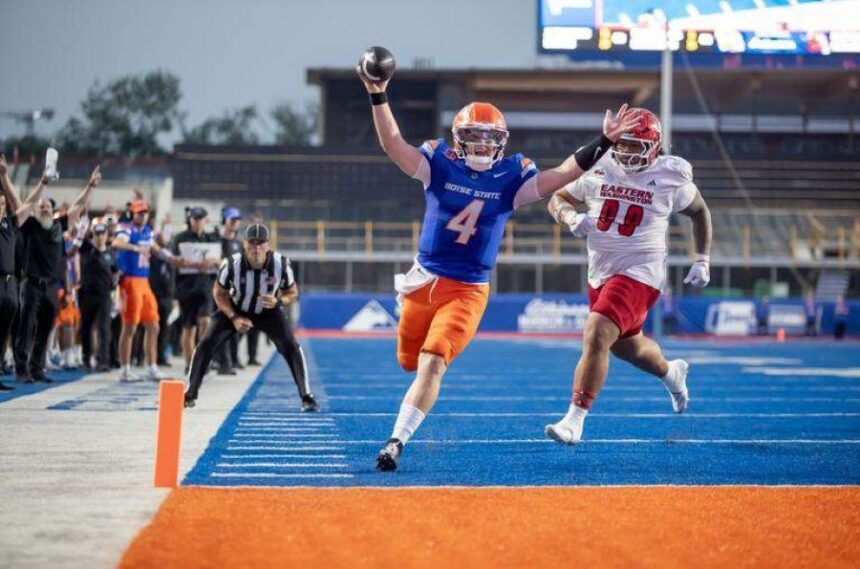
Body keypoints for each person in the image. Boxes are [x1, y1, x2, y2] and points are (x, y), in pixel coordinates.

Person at [357, 64, 641, 470]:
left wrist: (604, 141)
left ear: (502, 142)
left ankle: (395, 442)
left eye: (491, 137)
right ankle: (405, 411)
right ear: (459, 139)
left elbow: (561, 175)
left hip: (468, 289)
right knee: (409, 360)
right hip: (422, 281)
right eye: (474, 135)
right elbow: (393, 144)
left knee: (433, 360)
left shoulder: (512, 177)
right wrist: (378, 93)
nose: (482, 144)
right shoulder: (438, 163)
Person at [544, 108, 713, 445]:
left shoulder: (670, 175)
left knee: (596, 333)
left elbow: (699, 212)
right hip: (602, 270)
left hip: (641, 272)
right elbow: (557, 197)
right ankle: (671, 372)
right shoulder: (598, 164)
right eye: (622, 144)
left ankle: (574, 419)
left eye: (635, 146)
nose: (626, 152)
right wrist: (570, 218)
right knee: (626, 347)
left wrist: (702, 259)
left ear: (654, 146)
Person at [184, 224, 318, 411]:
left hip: (269, 311)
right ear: (244, 244)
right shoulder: (231, 264)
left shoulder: (281, 264)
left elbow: (293, 292)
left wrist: (278, 300)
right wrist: (233, 317)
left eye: (260, 243)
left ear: (268, 245)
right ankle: (190, 393)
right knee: (205, 344)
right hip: (237, 307)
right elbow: (219, 293)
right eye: (252, 243)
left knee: (292, 347)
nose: (256, 248)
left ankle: (306, 396)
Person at [14, 165, 100, 383]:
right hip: (32, 283)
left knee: (45, 328)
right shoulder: (30, 225)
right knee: (27, 326)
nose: (43, 207)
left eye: (46, 206)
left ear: (53, 211)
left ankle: (37, 367)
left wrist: (90, 186)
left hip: (52, 286)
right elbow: (24, 204)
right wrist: (43, 183)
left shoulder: (59, 226)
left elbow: (78, 206)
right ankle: (22, 368)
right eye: (40, 206)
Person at [112, 199, 181, 382]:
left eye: (145, 212)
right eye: (139, 212)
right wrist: (136, 247)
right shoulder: (126, 229)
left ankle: (152, 367)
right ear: (132, 214)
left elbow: (156, 249)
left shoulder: (146, 231)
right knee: (129, 327)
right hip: (130, 281)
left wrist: (172, 258)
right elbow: (116, 243)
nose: (143, 216)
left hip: (144, 281)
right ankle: (125, 369)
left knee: (154, 325)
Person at [171, 207, 221, 372]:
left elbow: (221, 262)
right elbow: (173, 260)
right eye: (195, 219)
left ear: (205, 220)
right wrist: (190, 263)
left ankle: (203, 360)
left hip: (205, 286)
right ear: (190, 220)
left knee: (205, 322)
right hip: (186, 287)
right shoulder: (180, 238)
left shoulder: (211, 239)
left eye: (201, 219)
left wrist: (213, 261)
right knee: (188, 327)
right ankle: (189, 363)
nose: (198, 222)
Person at [71, 219, 118, 371]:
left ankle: (103, 360)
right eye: (97, 234)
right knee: (86, 327)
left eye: (102, 234)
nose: (99, 237)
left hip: (104, 294)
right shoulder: (87, 249)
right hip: (87, 294)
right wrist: (83, 231)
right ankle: (86, 357)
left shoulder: (110, 253)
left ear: (106, 235)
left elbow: (116, 271)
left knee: (104, 328)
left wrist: (114, 286)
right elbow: (76, 244)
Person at [0, 153, 25, 391]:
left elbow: (20, 206)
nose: (0, 208)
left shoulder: (8, 224)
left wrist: (5, 177)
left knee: (4, 330)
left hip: (10, 282)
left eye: (1, 204)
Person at [215, 206, 243, 374]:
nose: (234, 223)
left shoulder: (239, 244)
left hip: (236, 291)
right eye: (231, 220)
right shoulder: (215, 241)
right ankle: (223, 361)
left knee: (236, 328)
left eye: (237, 220)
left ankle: (231, 359)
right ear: (223, 220)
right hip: (218, 289)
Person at [149, 225, 175, 366]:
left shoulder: (170, 257)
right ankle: (143, 356)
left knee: (165, 327)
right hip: (153, 294)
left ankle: (161, 356)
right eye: (158, 238)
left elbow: (173, 277)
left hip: (167, 296)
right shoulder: (151, 257)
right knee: (150, 327)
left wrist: (174, 296)